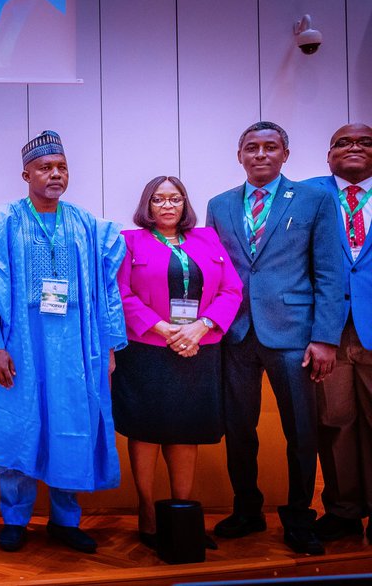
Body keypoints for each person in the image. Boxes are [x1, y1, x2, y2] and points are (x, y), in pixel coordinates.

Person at [0, 130, 126, 554]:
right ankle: (15, 518)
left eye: (61, 168)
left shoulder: (87, 224)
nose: (55, 174)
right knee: (18, 422)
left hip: (75, 345)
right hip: (21, 342)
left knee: (70, 423)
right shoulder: (0, 223)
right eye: (45, 168)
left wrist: (109, 344)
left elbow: (108, 288)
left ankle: (64, 520)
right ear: (26, 174)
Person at [205, 121, 345, 556]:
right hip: (237, 332)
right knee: (238, 429)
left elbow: (328, 271)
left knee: (301, 432)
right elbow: (215, 270)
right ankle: (247, 508)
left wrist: (325, 338)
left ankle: (300, 517)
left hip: (293, 336)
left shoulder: (314, 200)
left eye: (270, 147)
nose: (260, 154)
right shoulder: (220, 204)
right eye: (252, 147)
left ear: (285, 154)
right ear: (239, 155)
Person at [114, 175, 243, 548]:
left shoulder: (207, 239)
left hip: (198, 349)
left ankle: (182, 513)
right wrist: (164, 329)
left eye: (175, 198)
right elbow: (121, 293)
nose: (167, 205)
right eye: (158, 199)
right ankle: (148, 512)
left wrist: (200, 328)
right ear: (147, 205)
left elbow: (231, 289)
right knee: (147, 430)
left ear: (185, 204)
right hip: (147, 352)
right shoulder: (129, 241)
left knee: (187, 430)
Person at [305, 123, 372, 543]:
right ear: (328, 155)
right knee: (335, 421)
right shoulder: (307, 195)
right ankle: (344, 511)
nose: (353, 147)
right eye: (342, 142)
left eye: (364, 141)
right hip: (324, 331)